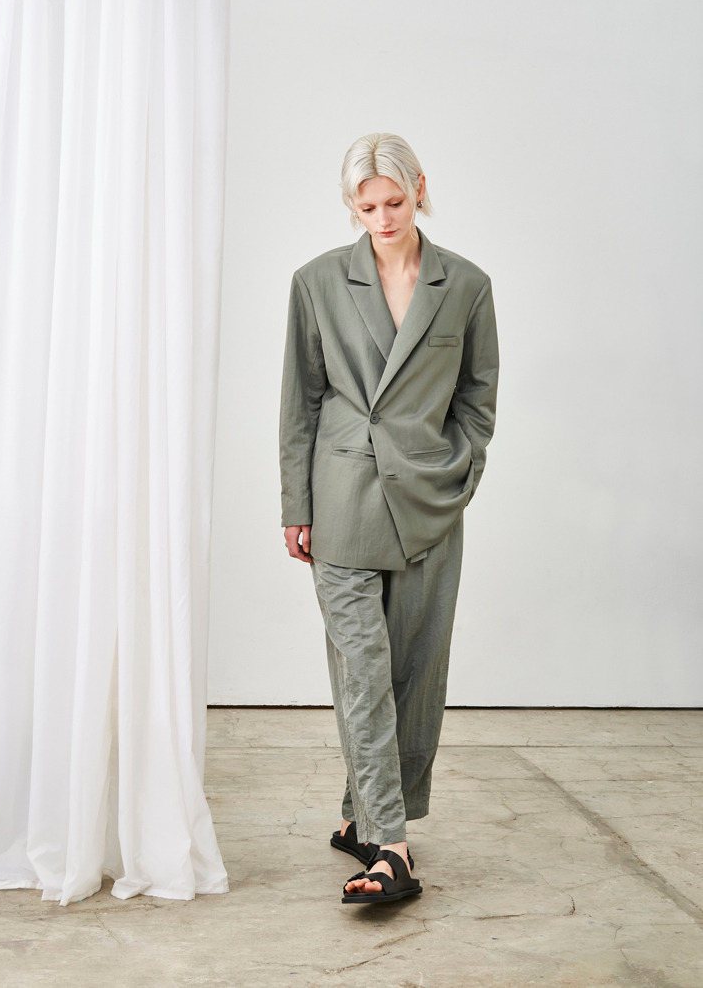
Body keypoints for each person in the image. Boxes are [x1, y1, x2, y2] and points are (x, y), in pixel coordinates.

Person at [279, 132, 498, 905]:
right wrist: (296, 504)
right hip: (342, 500)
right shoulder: (317, 281)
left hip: (428, 504)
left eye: (395, 201)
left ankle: (362, 816)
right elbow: (301, 400)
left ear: (420, 189)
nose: (382, 218)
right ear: (352, 206)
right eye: (366, 205)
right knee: (363, 673)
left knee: (414, 673)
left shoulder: (465, 284)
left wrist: (456, 474)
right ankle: (392, 850)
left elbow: (477, 398)